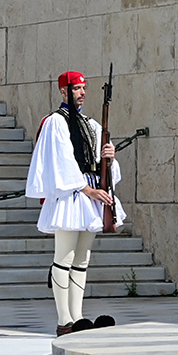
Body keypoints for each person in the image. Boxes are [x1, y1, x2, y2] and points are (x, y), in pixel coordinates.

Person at [26, 71, 125, 336]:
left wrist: (110, 156)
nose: (82, 93)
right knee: (64, 258)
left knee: (82, 259)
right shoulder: (56, 122)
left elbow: (104, 166)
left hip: (90, 194)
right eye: (76, 88)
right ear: (63, 92)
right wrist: (88, 190)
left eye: (84, 88)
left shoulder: (92, 124)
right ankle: (64, 321)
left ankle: (78, 317)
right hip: (71, 193)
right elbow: (61, 161)